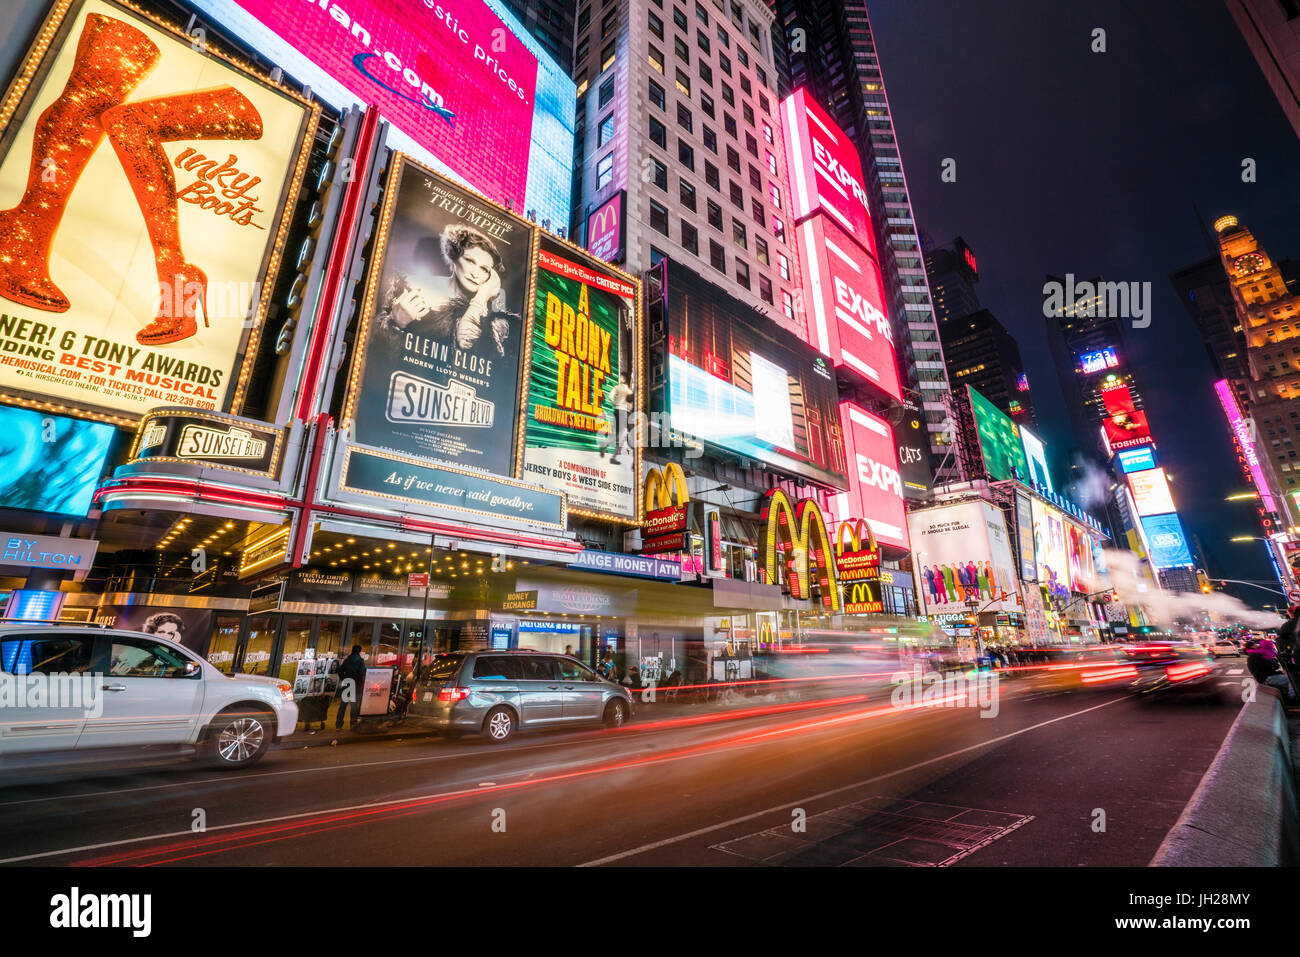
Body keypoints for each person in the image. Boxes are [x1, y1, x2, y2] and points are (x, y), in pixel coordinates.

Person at [335, 644, 367, 732]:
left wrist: (343, 678)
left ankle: (338, 724)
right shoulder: (360, 661)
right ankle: (353, 725)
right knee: (354, 706)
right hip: (355, 685)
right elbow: (362, 673)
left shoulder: (347, 660)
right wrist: (360, 683)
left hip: (347, 683)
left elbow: (340, 670)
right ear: (359, 651)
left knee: (343, 705)